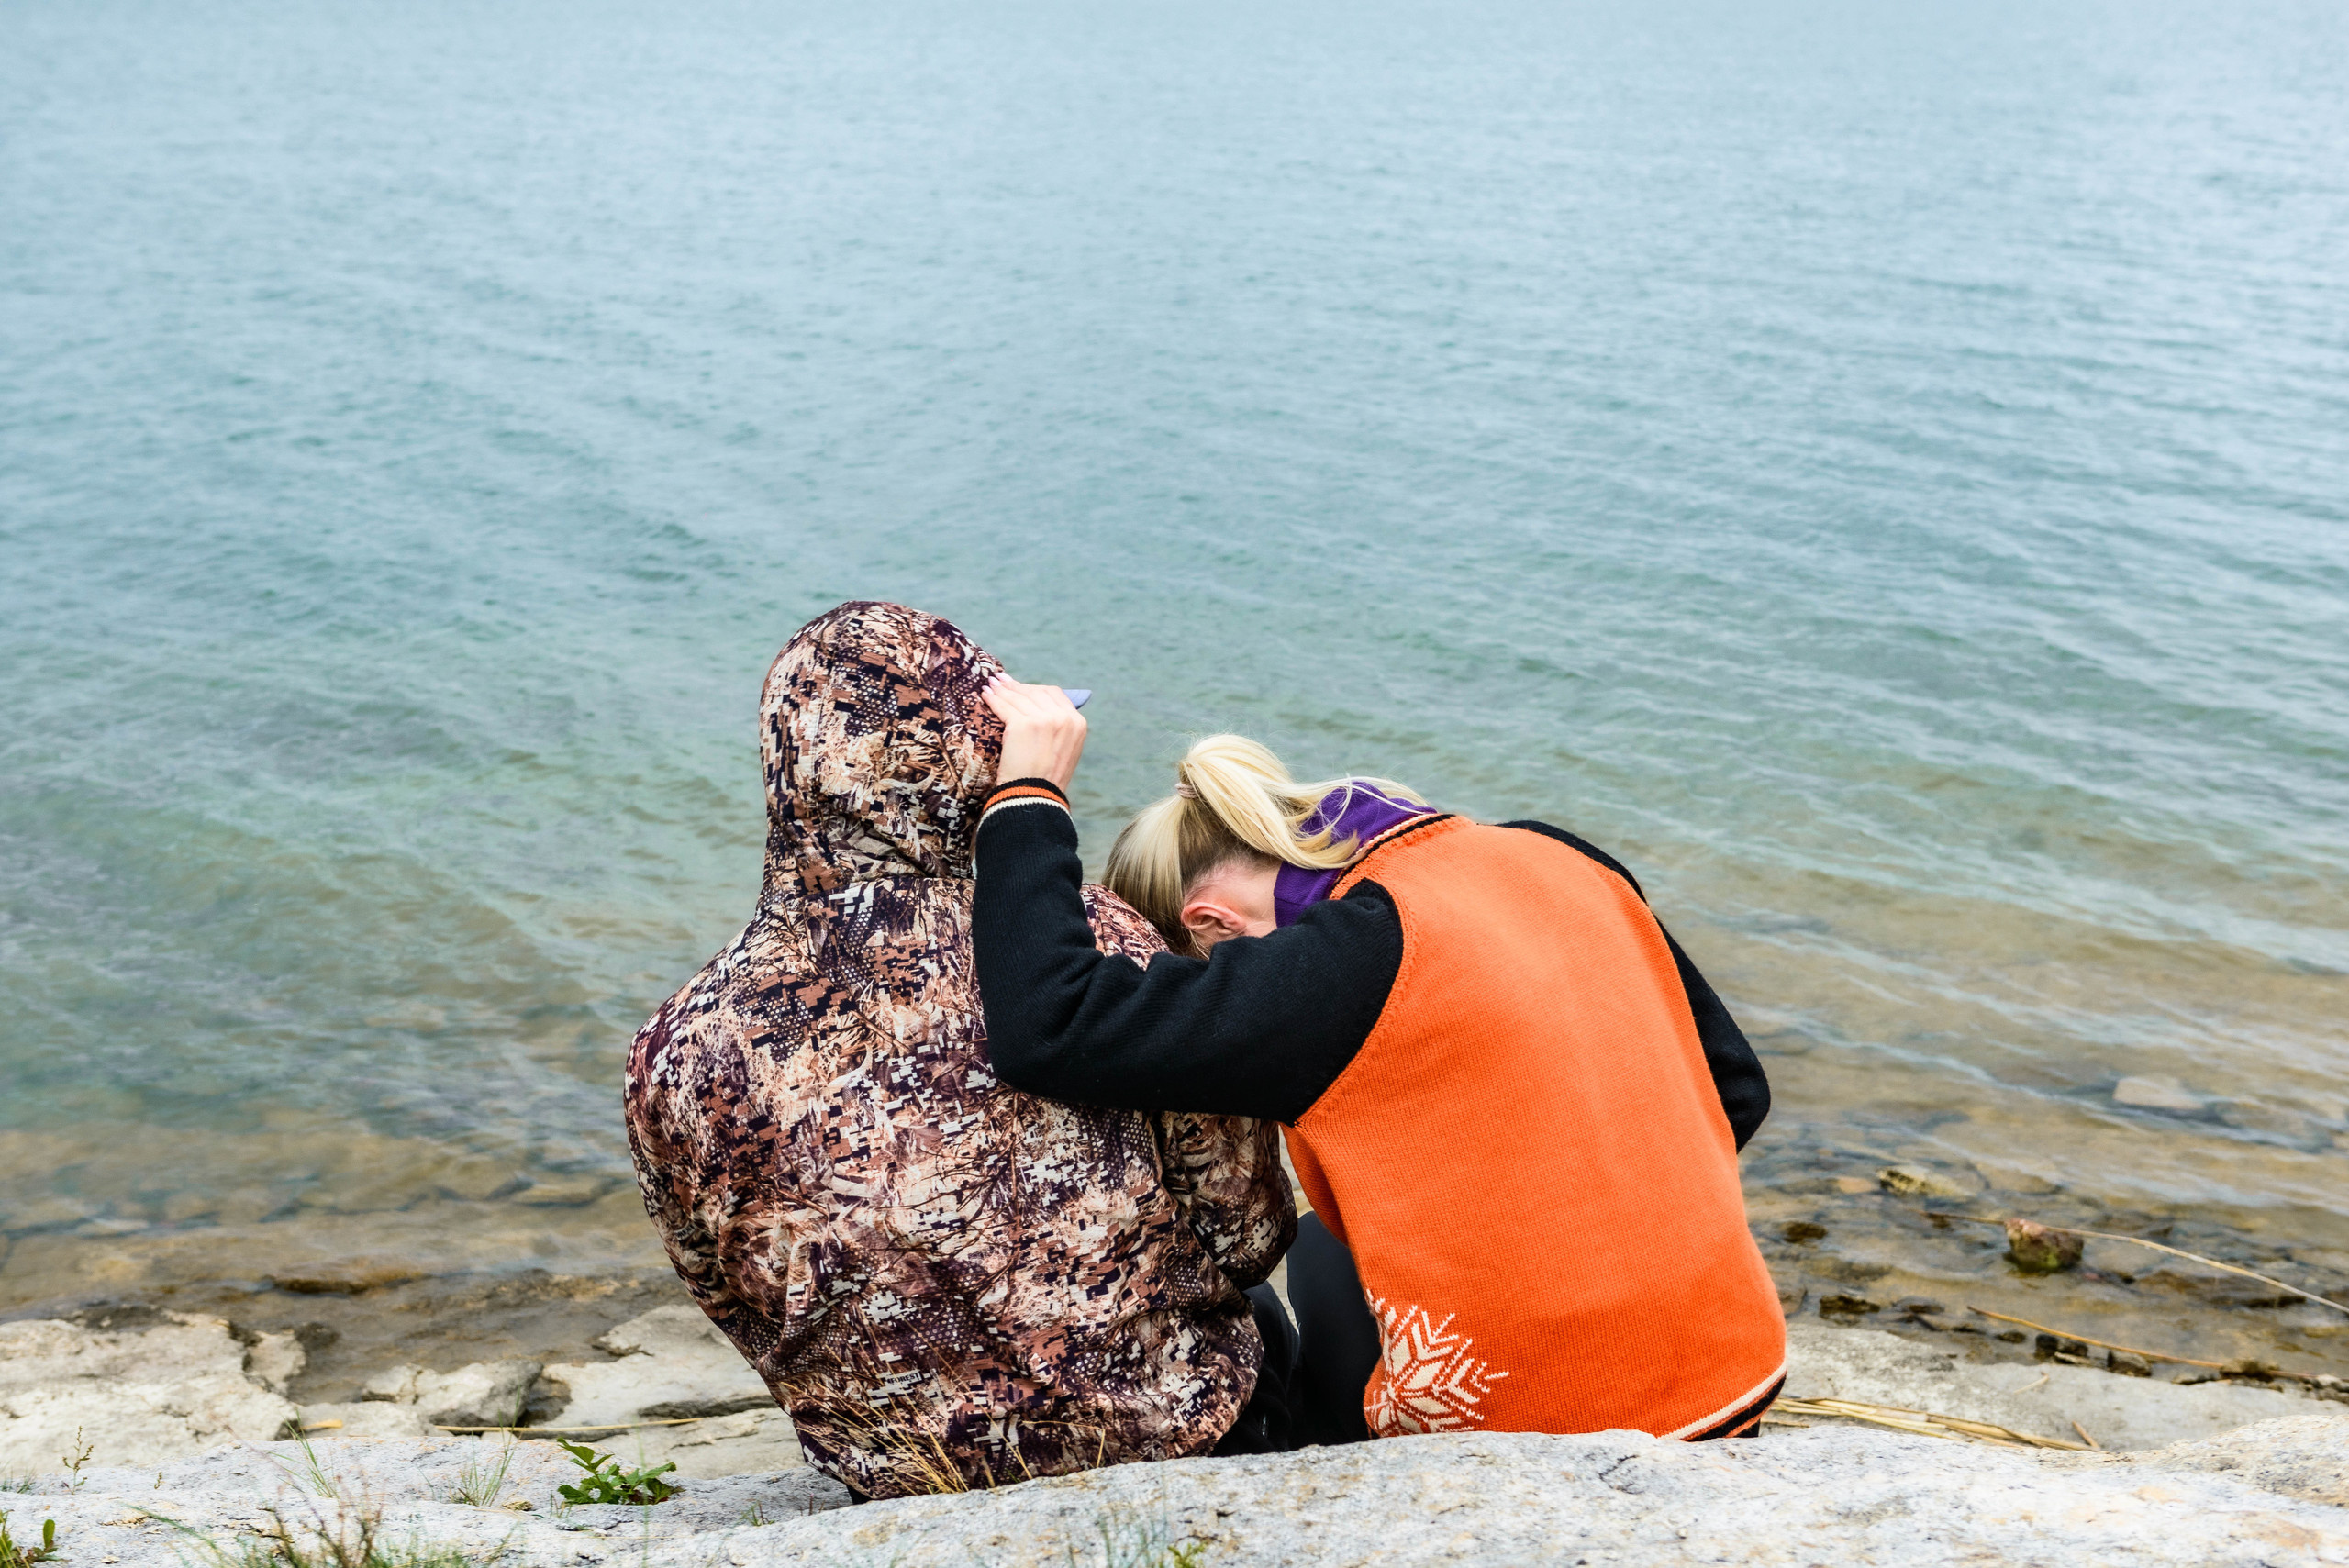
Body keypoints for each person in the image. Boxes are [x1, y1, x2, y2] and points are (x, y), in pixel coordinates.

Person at [971, 685, 1784, 1445]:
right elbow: (1734, 1090)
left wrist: (1027, 799)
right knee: (1330, 1242)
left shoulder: (1340, 960)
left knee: (1298, 1274)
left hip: (1550, 1432)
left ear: (1210, 923)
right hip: (1739, 1369)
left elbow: (1052, 1021)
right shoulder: (1554, 851)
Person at [622, 604, 1297, 1499]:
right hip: (1172, 1441)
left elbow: (743, 1303)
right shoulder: (1088, 942)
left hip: (905, 1481)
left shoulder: (677, 1046)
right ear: (976, 753)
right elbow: (1244, 1232)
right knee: (1279, 1306)